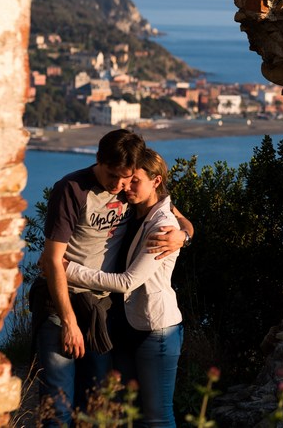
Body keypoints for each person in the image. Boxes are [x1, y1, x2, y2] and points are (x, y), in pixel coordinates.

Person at [32, 129, 193, 427]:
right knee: (58, 405)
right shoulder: (72, 189)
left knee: (98, 404)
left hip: (100, 310)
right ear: (99, 160)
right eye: (114, 176)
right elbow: (54, 260)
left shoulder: (130, 191)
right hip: (61, 306)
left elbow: (172, 212)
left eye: (128, 178)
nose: (120, 185)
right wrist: (69, 323)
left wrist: (183, 235)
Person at [64, 148, 184, 427]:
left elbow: (127, 281)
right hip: (127, 325)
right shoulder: (133, 206)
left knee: (157, 416)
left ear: (156, 181)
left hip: (157, 329)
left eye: (135, 181)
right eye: (126, 180)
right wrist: (187, 232)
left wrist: (68, 269)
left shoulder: (162, 226)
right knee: (128, 410)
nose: (126, 187)